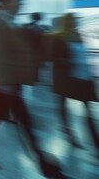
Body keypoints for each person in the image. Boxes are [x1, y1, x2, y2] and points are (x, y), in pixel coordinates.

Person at [0, 0, 64, 178]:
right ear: (7, 3)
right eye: (16, 0)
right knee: (24, 122)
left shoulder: (10, 21)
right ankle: (45, 166)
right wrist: (2, 82)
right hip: (6, 84)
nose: (20, 3)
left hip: (10, 83)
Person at [51, 13, 99, 150]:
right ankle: (68, 131)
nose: (75, 22)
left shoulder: (79, 36)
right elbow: (54, 57)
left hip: (82, 76)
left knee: (87, 108)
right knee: (63, 104)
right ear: (66, 22)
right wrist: (70, 62)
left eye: (76, 20)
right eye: (72, 20)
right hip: (67, 77)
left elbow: (83, 55)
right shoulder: (58, 37)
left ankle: (95, 140)